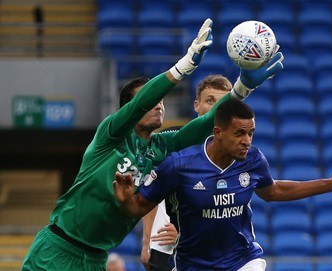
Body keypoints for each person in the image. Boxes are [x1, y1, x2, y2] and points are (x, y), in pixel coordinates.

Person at [21, 17, 284, 271]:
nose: (158, 104)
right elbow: (141, 102)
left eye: (161, 102)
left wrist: (240, 90)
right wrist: (183, 67)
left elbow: (199, 128)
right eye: (151, 101)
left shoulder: (162, 147)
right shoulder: (110, 136)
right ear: (129, 109)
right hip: (59, 250)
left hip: (96, 258)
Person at [113, 98, 332, 271]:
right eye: (239, 133)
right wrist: (125, 201)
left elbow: (273, 191)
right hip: (192, 265)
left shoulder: (252, 159)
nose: (247, 141)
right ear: (219, 132)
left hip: (243, 261)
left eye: (251, 133)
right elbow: (141, 205)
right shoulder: (179, 165)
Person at [140, 75, 232, 271]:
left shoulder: (237, 152)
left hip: (213, 246)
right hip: (167, 239)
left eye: (223, 102)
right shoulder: (171, 141)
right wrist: (147, 239)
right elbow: (150, 193)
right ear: (196, 105)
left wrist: (185, 235)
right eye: (210, 101)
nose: (216, 108)